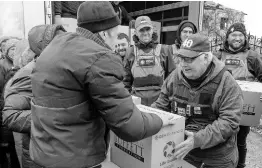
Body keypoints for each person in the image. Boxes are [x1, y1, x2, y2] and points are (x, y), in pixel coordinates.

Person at [30, 2, 174, 168]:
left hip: (45, 152)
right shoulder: (99, 57)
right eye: (116, 35)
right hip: (76, 158)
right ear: (105, 33)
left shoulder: (56, 47)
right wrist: (160, 120)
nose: (116, 42)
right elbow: (130, 126)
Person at [152, 33, 243, 168]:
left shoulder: (226, 83)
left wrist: (197, 140)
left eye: (189, 59)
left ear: (206, 57)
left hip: (217, 157)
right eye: (181, 58)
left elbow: (230, 122)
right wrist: (148, 120)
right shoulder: (175, 76)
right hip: (185, 151)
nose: (183, 64)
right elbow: (161, 105)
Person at [2, 24, 66, 168]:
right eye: (59, 42)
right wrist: (50, 118)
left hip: (60, 152)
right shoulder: (29, 73)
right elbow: (11, 115)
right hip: (39, 155)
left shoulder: (61, 68)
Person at [214, 22, 262, 168]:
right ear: (227, 37)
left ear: (245, 37)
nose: (237, 38)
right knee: (220, 139)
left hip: (244, 108)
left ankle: (240, 165)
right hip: (221, 108)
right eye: (233, 35)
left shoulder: (252, 57)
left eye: (240, 35)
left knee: (240, 140)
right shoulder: (218, 55)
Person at [123, 16, 176, 106]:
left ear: (152, 30)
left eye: (148, 29)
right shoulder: (130, 52)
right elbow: (125, 82)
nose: (145, 33)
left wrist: (169, 102)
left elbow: (173, 79)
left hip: (160, 102)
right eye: (141, 30)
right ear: (135, 32)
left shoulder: (164, 50)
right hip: (137, 103)